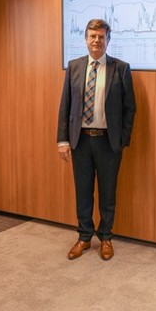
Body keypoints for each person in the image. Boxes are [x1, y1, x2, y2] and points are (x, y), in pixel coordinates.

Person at [57, 19, 136, 261]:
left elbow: (130, 108)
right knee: (83, 191)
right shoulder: (74, 67)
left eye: (101, 37)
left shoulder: (121, 68)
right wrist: (62, 140)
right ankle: (84, 237)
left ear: (108, 40)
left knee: (107, 193)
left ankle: (105, 237)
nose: (96, 41)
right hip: (80, 141)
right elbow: (65, 105)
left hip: (108, 142)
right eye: (92, 36)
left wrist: (122, 139)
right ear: (85, 39)